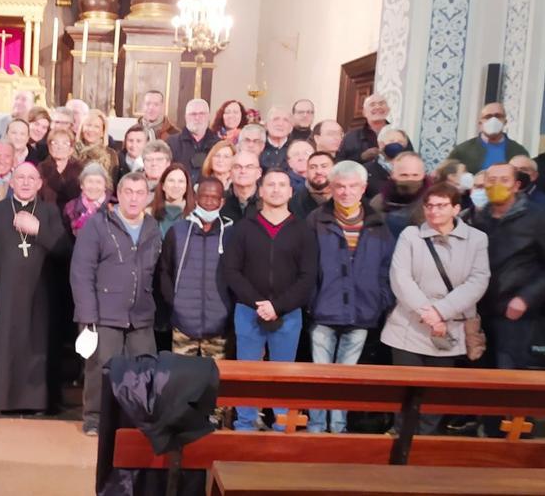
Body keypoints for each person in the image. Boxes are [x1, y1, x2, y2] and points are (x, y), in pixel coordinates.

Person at [380, 182, 490, 435]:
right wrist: (427, 313)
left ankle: (425, 441)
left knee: (434, 393)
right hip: (410, 326)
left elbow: (478, 281)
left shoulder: (477, 240)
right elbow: (400, 277)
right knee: (404, 390)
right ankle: (400, 438)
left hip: (449, 327)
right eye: (429, 205)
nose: (434, 211)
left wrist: (441, 312)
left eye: (441, 206)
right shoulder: (411, 236)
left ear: (456, 209)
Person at [221, 169, 317, 431]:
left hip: (288, 314)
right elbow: (231, 271)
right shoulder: (244, 229)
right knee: (248, 374)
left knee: (282, 374)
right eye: (270, 185)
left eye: (281, 185)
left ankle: (282, 424)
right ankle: (245, 423)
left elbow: (308, 276)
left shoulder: (303, 231)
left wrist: (278, 306)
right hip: (248, 311)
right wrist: (257, 303)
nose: (275, 189)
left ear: (290, 192)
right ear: (260, 191)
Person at [304, 161, 395, 434]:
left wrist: (381, 300)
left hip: (362, 310)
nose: (345, 192)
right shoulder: (316, 220)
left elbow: (387, 268)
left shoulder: (378, 223)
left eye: (352, 186)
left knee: (346, 378)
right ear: (331, 188)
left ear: (363, 188)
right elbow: (307, 265)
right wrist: (312, 299)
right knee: (320, 377)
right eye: (340, 186)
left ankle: (339, 429)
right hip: (324, 309)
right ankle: (318, 428)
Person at [70, 171, 161, 436]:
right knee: (101, 368)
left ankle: (134, 418)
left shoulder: (152, 227)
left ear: (148, 197)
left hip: (141, 313)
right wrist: (88, 316)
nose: (133, 199)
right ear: (118, 195)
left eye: (139, 193)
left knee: (142, 369)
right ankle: (95, 418)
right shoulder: (98, 225)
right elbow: (81, 272)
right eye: (128, 193)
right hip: (103, 313)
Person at [0, 161, 67, 414]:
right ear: (12, 182)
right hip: (3, 291)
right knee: (6, 341)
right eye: (21, 177)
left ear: (39, 184)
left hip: (41, 291)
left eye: (31, 178)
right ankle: (3, 400)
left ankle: (36, 401)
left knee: (36, 343)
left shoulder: (49, 212)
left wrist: (38, 230)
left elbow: (64, 250)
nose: (26, 182)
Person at [468, 163, 545, 373]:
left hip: (516, 313)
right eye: (491, 180)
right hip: (479, 311)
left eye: (504, 180)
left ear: (516, 185)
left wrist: (526, 298)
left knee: (509, 376)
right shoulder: (477, 218)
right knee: (477, 376)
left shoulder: (540, 218)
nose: (497, 185)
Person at [158, 176, 233, 361]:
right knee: (181, 380)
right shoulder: (178, 231)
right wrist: (175, 303)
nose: (208, 201)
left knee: (216, 381)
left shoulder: (231, 234)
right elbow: (164, 271)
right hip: (183, 324)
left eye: (214, 197)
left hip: (219, 324)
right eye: (204, 196)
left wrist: (228, 310)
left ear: (221, 201)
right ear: (195, 198)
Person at [446, 102, 529, 173]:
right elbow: (445, 177)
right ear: (480, 123)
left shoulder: (518, 151)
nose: (493, 120)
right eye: (488, 117)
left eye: (498, 116)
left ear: (505, 121)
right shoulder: (462, 151)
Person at [371, 151, 429, 239]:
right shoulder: (378, 202)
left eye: (415, 175)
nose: (410, 179)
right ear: (393, 175)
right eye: (404, 175)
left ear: (423, 175)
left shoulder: (434, 203)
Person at [167, 99, 215, 178]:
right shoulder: (171, 143)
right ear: (186, 117)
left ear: (209, 116)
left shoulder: (218, 144)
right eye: (193, 114)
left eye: (202, 114)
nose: (197, 118)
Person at [63, 163, 113, 237]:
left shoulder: (115, 205)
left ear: (105, 186)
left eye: (98, 182)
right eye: (90, 181)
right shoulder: (71, 207)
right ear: (82, 185)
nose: (93, 187)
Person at [39, 128, 83, 212]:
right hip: (46, 217)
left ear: (71, 148)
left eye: (65, 143)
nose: (59, 147)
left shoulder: (80, 169)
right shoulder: (41, 168)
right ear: (49, 147)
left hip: (72, 218)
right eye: (55, 143)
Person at [340, 93, 390, 162]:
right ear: (364, 112)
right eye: (372, 104)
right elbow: (340, 164)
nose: (378, 107)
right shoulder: (351, 138)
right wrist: (362, 157)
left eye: (381, 103)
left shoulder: (398, 134)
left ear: (388, 110)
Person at [365, 126, 410, 199]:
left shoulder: (411, 170)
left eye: (400, 142)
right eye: (391, 141)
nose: (396, 144)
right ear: (381, 144)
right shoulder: (366, 170)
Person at [151, 164, 194, 238]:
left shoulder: (195, 214)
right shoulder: (149, 213)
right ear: (163, 186)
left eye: (181, 181)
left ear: (187, 186)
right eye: (171, 181)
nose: (176, 185)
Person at [291, 151, 335, 219]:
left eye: (324, 166)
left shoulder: (346, 195)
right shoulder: (295, 202)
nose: (318, 171)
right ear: (307, 172)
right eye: (313, 167)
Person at [76, 108, 119, 176]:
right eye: (88, 125)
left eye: (96, 127)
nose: (91, 130)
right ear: (82, 129)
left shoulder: (111, 154)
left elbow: (113, 182)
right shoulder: (72, 152)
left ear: (102, 132)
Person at [222, 150, 262, 222]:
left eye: (249, 167)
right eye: (237, 167)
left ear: (259, 173)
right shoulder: (221, 200)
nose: (243, 171)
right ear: (230, 172)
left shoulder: (268, 201)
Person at [260, 105, 294, 171]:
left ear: (291, 128)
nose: (280, 124)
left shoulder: (296, 148)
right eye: (276, 119)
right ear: (266, 125)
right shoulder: (257, 145)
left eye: (286, 120)